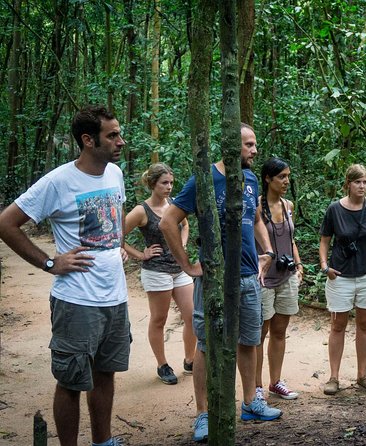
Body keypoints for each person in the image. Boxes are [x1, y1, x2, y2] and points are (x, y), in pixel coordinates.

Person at [0, 105, 129, 446]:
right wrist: (49, 263)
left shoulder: (114, 173)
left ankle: (103, 441)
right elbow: (6, 223)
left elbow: (116, 218)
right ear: (88, 140)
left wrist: (120, 245)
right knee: (72, 380)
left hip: (115, 296)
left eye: (119, 133)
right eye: (112, 135)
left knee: (105, 373)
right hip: (77, 300)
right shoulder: (59, 181)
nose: (121, 141)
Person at [159, 123, 281, 443]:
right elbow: (168, 221)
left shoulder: (251, 178)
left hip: (248, 278)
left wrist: (266, 250)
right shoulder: (204, 179)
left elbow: (255, 219)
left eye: (255, 144)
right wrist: (186, 264)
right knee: (206, 345)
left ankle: (252, 402)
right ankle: (204, 414)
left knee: (249, 341)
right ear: (230, 145)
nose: (255, 151)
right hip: (214, 279)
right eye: (249, 145)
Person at [319, 164, 366, 396]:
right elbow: (324, 241)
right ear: (347, 184)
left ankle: (362, 374)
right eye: (357, 182)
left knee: (365, 325)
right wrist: (325, 266)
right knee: (338, 325)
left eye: (365, 182)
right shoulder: (334, 210)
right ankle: (333, 377)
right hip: (341, 276)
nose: (362, 186)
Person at [123, 163, 196, 385]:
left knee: (192, 316)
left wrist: (180, 248)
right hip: (156, 271)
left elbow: (184, 225)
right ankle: (162, 364)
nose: (169, 187)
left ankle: (190, 359)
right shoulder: (140, 211)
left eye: (171, 183)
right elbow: (117, 235)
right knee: (159, 319)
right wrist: (140, 254)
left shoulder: (174, 205)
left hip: (179, 269)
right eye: (165, 183)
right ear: (153, 184)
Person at [254, 157, 304, 400]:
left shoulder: (288, 205)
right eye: (281, 177)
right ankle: (256, 387)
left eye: (288, 176)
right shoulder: (255, 206)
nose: (286, 181)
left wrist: (299, 264)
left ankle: (276, 381)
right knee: (259, 334)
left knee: (280, 331)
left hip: (286, 276)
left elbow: (291, 239)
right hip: (263, 278)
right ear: (267, 179)